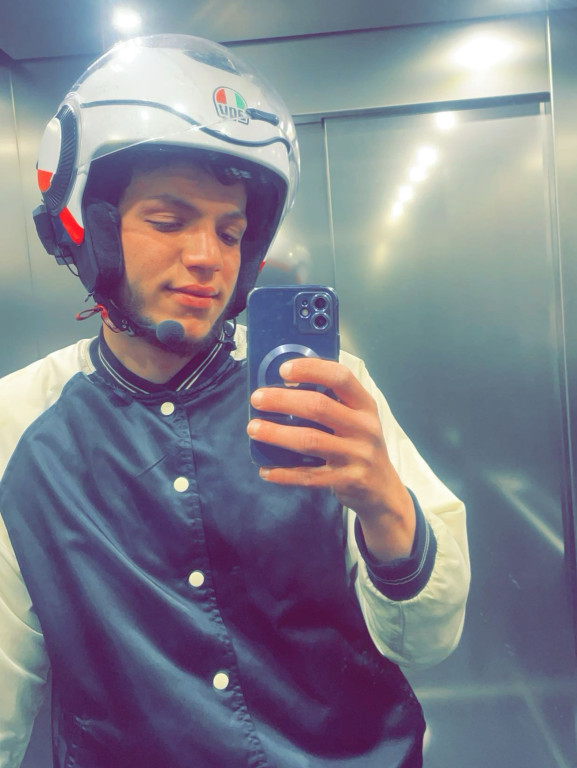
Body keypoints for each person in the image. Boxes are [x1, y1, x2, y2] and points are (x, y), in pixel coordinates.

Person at [0, 34, 470, 768]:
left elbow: (427, 641)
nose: (206, 258)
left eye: (231, 232)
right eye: (168, 221)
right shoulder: (18, 424)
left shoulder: (329, 390)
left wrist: (387, 510)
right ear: (90, 226)